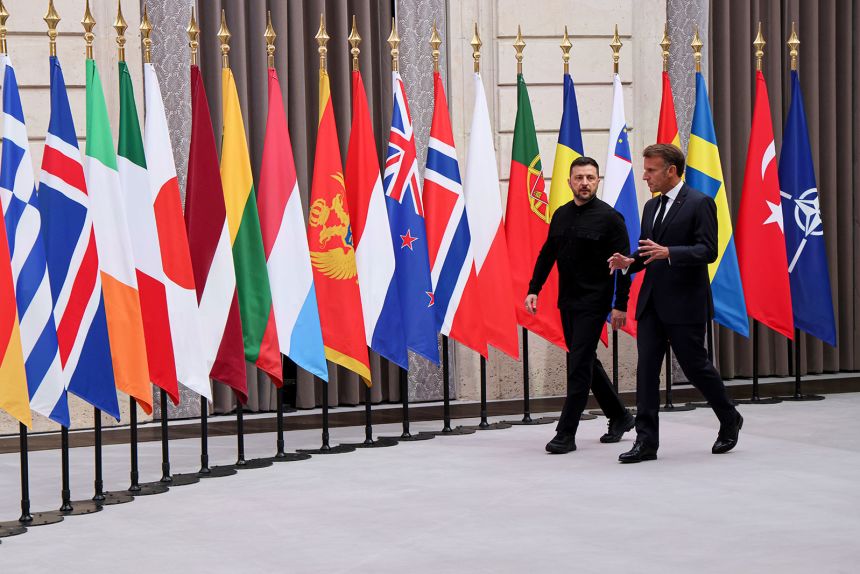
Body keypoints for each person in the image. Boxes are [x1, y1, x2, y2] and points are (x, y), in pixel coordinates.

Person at [608, 144, 743, 463]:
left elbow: (708, 250)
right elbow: (647, 251)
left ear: (671, 170)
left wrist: (672, 253)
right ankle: (646, 442)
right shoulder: (651, 208)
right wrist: (629, 261)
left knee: (697, 367)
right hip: (652, 302)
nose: (644, 176)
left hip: (686, 302)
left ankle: (728, 417)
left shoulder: (700, 203)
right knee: (647, 371)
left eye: (651, 170)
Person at [527, 156, 635, 454]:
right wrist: (533, 289)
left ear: (598, 181)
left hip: (594, 303)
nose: (584, 183)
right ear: (569, 182)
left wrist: (620, 305)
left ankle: (565, 434)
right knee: (586, 362)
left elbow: (625, 267)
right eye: (579, 178)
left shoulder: (611, 218)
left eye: (590, 177)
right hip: (568, 302)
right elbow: (547, 254)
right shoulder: (560, 215)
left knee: (577, 367)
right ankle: (620, 416)